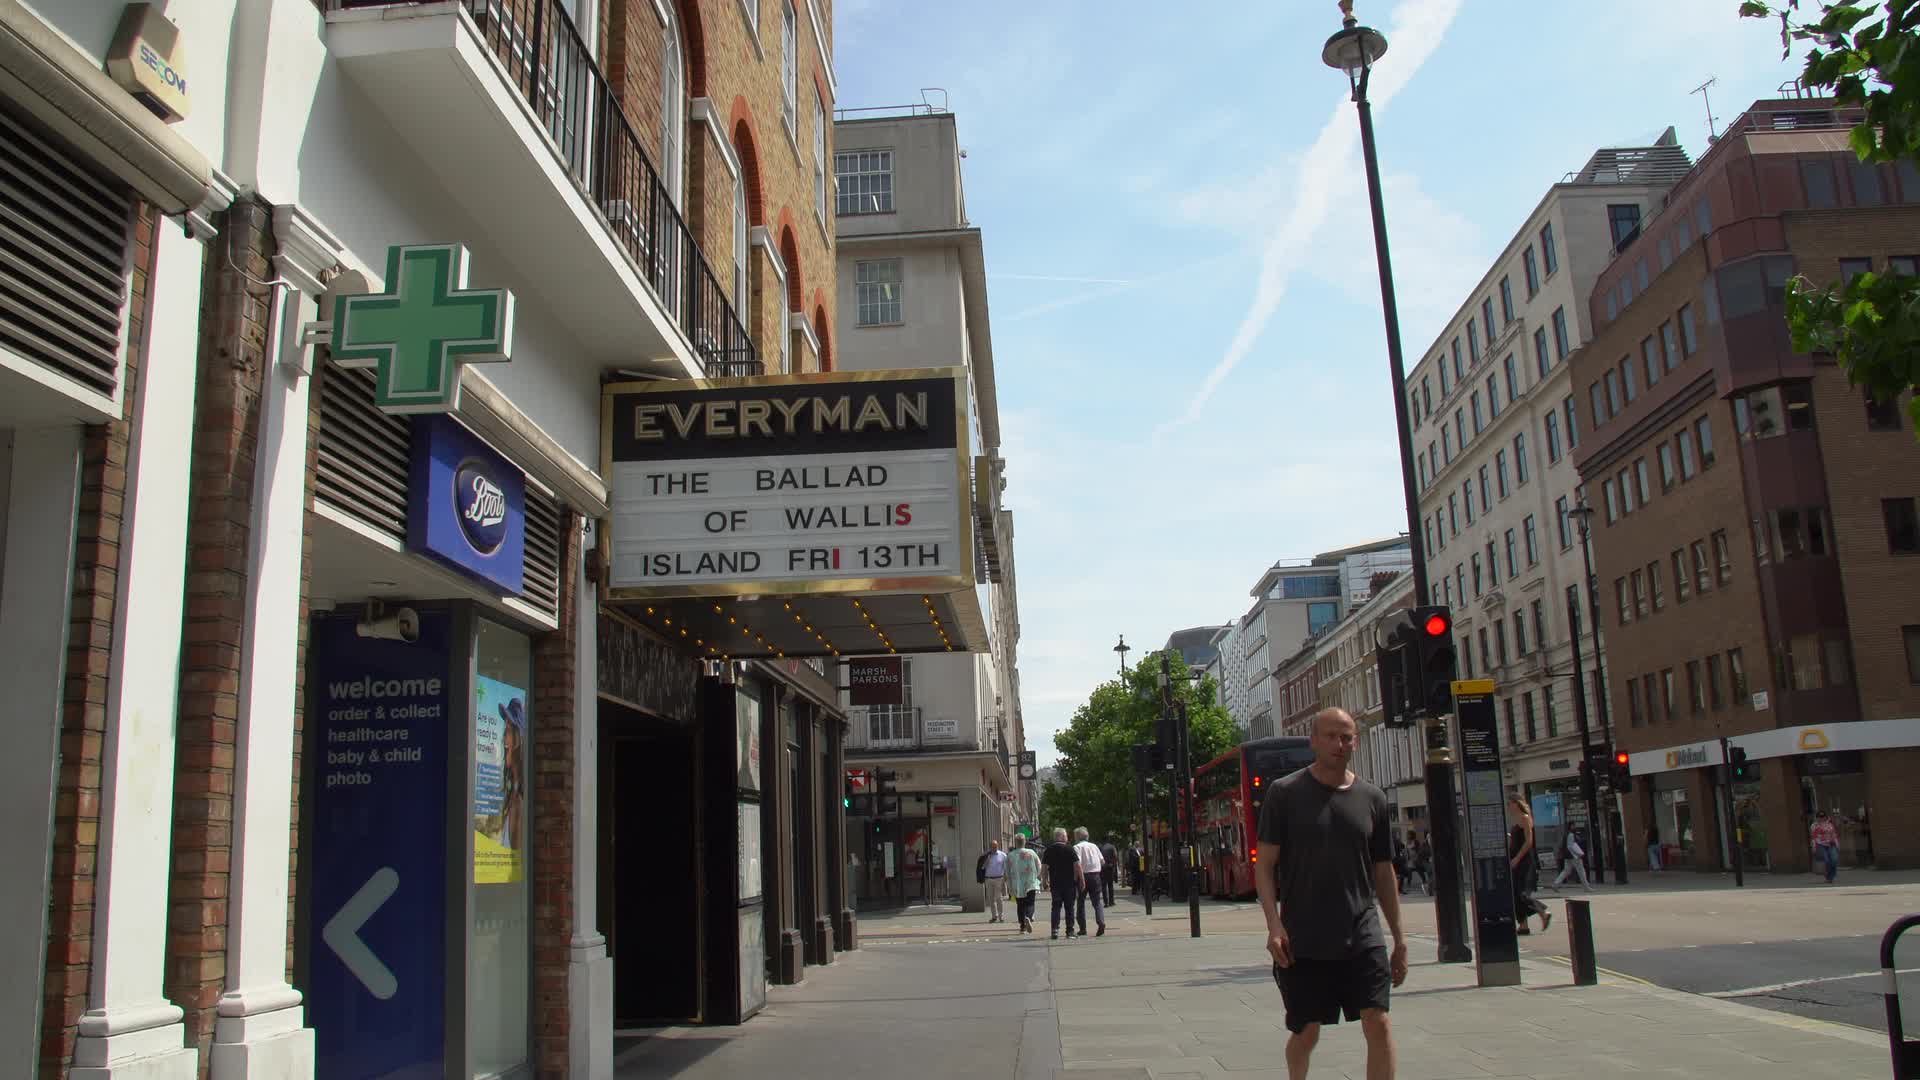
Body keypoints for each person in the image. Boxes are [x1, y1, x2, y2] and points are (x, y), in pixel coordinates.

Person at [1255, 707, 1407, 1080]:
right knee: (1306, 1031)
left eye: (1347, 737)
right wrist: (1274, 926)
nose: (1341, 744)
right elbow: (1264, 865)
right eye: (1332, 736)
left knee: (1378, 1020)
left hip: (1362, 930)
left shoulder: (1373, 798)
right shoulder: (1284, 793)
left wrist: (1399, 938)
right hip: (1304, 936)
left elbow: (1383, 871)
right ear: (1314, 741)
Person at [1507, 795, 1551, 935]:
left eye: (1509, 803)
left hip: (1524, 861)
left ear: (1516, 803)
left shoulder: (1525, 818)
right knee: (1514, 894)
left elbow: (1528, 842)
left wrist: (1517, 858)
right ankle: (1523, 925)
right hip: (1515, 859)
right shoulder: (1515, 820)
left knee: (1522, 893)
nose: (1508, 806)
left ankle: (1542, 911)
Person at [1041, 828, 1083, 939]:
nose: (1067, 838)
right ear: (1062, 837)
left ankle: (1054, 930)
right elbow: (1078, 866)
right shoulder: (1070, 849)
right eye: (1066, 836)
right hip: (1069, 883)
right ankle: (1070, 931)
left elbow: (1044, 867)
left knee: (1056, 907)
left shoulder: (1048, 850)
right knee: (1069, 907)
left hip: (1055, 883)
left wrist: (1044, 881)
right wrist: (1082, 880)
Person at [1072, 827, 1108, 937]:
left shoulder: (1076, 847)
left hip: (1083, 876)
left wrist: (1075, 878)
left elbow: (1077, 864)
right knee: (1097, 902)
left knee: (1081, 902)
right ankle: (1100, 921)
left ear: (1078, 837)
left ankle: (1083, 928)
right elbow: (1102, 862)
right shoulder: (1094, 846)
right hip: (1096, 875)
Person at [1007, 835, 1042, 933]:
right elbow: (1039, 865)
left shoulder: (1010, 855)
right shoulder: (1031, 853)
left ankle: (1022, 926)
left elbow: (1007, 871)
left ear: (1015, 842)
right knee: (1030, 902)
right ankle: (1029, 917)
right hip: (1030, 883)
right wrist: (1036, 876)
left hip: (1017, 884)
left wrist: (1009, 885)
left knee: (1020, 905)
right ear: (1025, 841)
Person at [980, 839, 1008, 923]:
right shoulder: (986, 856)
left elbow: (1006, 867)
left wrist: (1006, 877)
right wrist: (987, 861)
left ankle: (1001, 916)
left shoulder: (1002, 855)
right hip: (988, 879)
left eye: (995, 846)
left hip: (999, 878)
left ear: (998, 846)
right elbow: (982, 868)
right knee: (991, 899)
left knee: (998, 897)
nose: (994, 848)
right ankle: (994, 916)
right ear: (990, 847)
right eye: (992, 847)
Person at [1811, 811, 1841, 884]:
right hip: (1821, 844)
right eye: (1819, 817)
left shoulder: (1829, 824)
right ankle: (1828, 877)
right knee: (1826, 861)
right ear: (1816, 818)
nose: (1821, 818)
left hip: (1831, 844)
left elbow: (1834, 834)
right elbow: (1813, 837)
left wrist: (1837, 844)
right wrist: (1814, 846)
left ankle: (1832, 876)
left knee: (1834, 860)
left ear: (1825, 817)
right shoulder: (1814, 825)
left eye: (1823, 817)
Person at [1099, 837, 1120, 906]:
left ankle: (1106, 902)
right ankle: (1111, 901)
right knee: (1110, 885)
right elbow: (1115, 856)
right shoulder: (1112, 847)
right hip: (1110, 868)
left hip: (1102, 868)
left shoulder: (1100, 847)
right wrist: (1114, 865)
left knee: (1103, 886)